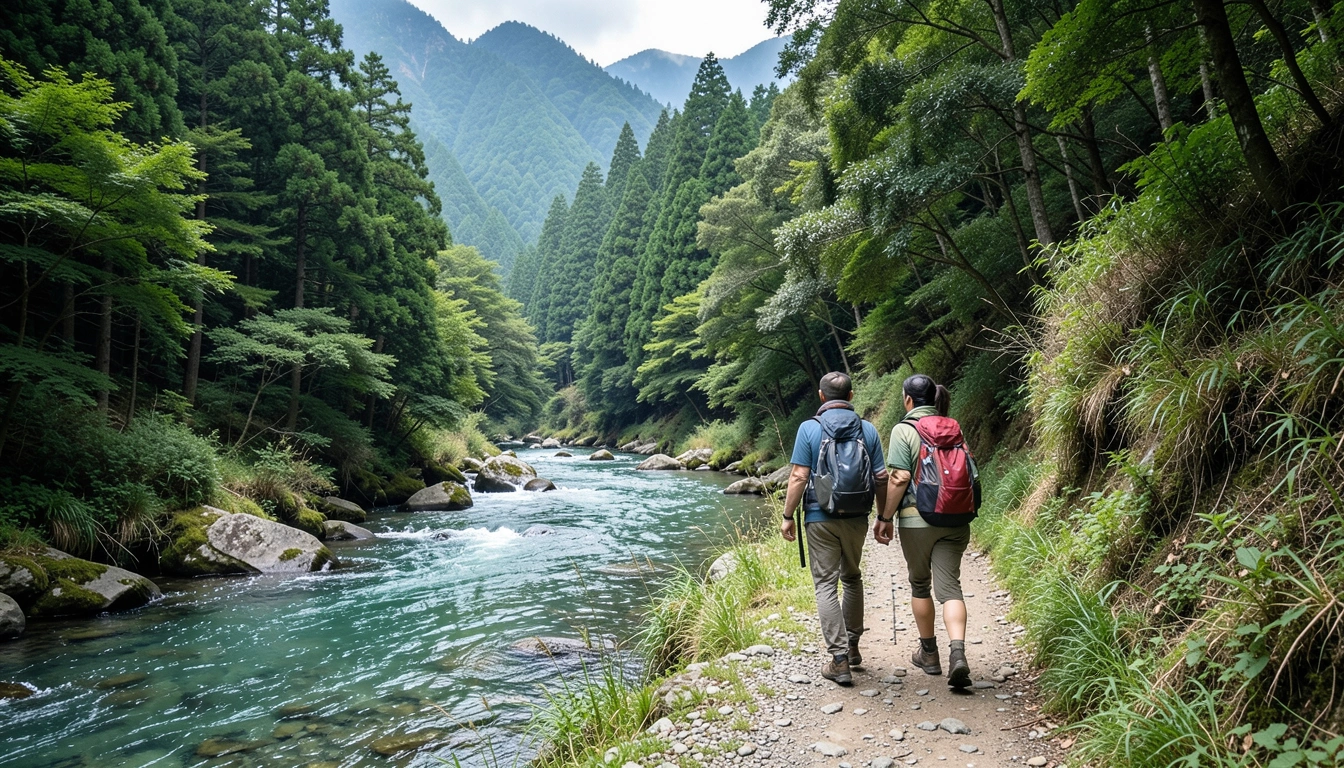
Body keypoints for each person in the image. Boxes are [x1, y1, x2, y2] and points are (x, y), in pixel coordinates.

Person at [781, 371, 889, 686]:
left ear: (821, 396)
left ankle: (839, 660)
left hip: (819, 516)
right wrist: (884, 516)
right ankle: (853, 648)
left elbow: (799, 476)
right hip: (857, 515)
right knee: (852, 577)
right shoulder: (867, 429)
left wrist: (788, 515)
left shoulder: (809, 428)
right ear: (852, 396)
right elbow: (881, 477)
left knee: (826, 584)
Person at [882, 374, 973, 689]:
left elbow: (899, 477)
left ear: (908, 399)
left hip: (916, 520)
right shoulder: (953, 427)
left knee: (920, 585)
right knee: (951, 589)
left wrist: (884, 516)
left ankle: (929, 653)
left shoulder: (904, 429)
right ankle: (958, 653)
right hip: (956, 518)